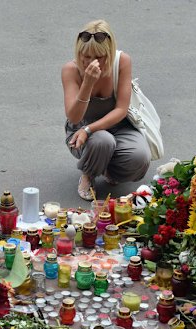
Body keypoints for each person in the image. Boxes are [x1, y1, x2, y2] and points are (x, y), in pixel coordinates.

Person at [62, 20, 151, 201]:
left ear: (109, 53)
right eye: (85, 55)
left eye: (99, 56)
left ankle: (108, 169)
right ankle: (88, 174)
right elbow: (73, 116)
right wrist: (87, 83)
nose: (90, 62)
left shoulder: (122, 62)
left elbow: (121, 109)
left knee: (140, 157)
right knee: (103, 140)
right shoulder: (70, 70)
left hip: (119, 126)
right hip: (81, 131)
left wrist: (90, 130)